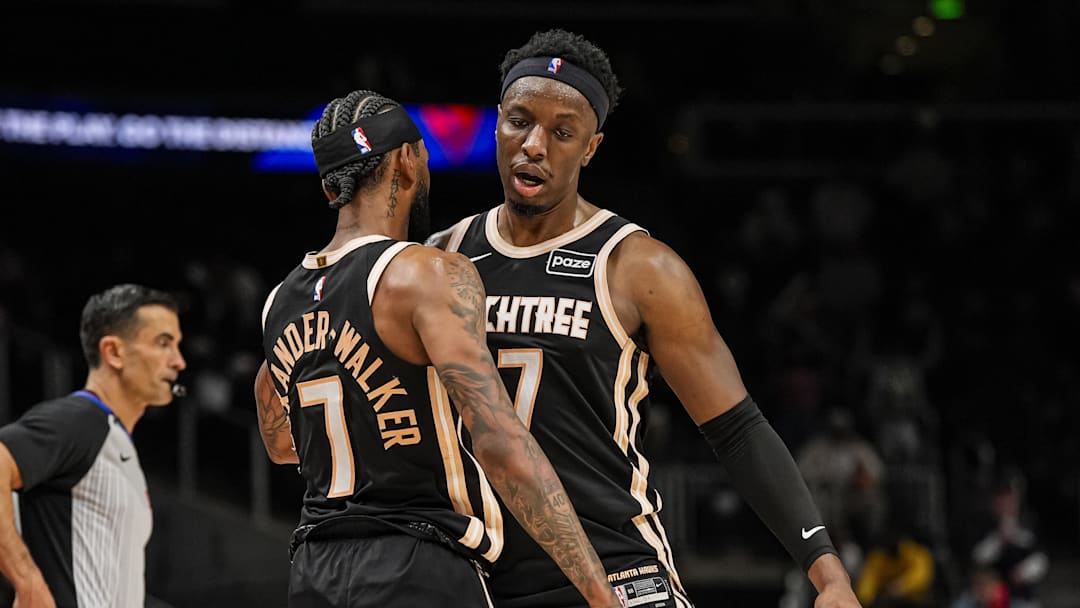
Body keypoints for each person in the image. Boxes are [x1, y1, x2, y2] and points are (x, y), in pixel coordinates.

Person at [425, 28, 863, 607]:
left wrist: (826, 571)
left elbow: (737, 429)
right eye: (519, 121)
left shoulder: (639, 267)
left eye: (562, 133)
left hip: (617, 572)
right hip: (479, 580)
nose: (534, 145)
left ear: (591, 148)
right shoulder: (439, 259)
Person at [253, 88, 620, 608]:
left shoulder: (279, 300)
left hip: (314, 571)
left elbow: (281, 444)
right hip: (415, 564)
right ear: (407, 157)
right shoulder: (424, 272)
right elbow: (500, 442)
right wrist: (598, 590)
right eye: (422, 151)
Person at [0, 283, 187, 608]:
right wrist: (26, 579)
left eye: (178, 345)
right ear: (113, 352)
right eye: (163, 343)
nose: (179, 361)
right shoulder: (81, 421)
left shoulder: (116, 442)